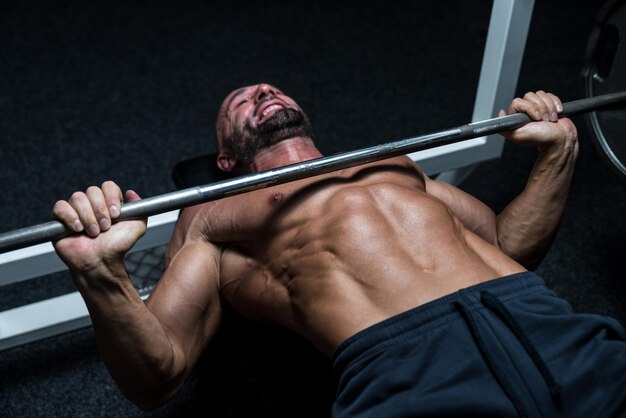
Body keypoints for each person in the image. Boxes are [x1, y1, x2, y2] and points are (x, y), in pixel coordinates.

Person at [52, 84, 626, 417]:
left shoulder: (393, 164)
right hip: (409, 373)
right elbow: (159, 374)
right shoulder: (214, 212)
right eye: (242, 103)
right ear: (226, 158)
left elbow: (506, 246)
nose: (263, 93)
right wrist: (100, 274)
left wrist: (558, 154)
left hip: (551, 325)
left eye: (270, 89)